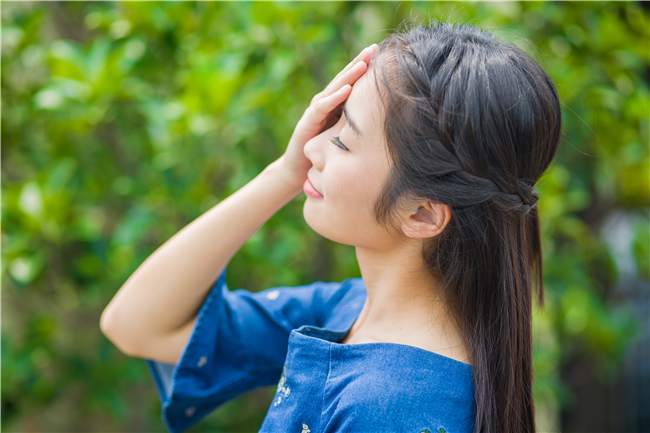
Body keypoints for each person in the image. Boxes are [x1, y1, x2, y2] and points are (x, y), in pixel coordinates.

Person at [100, 20, 562, 433]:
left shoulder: (389, 414)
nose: (311, 146)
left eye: (342, 138)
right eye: (331, 119)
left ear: (422, 213)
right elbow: (136, 326)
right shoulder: (347, 312)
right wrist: (282, 174)